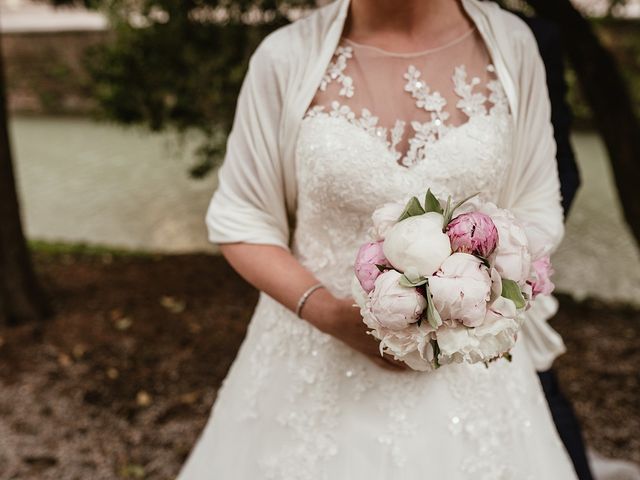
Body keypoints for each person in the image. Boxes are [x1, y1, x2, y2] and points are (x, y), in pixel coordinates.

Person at [178, 0, 580, 477]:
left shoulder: (512, 45)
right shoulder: (283, 58)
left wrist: (477, 296)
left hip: (468, 368)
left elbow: (537, 207)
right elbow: (240, 220)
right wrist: (327, 312)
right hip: (312, 361)